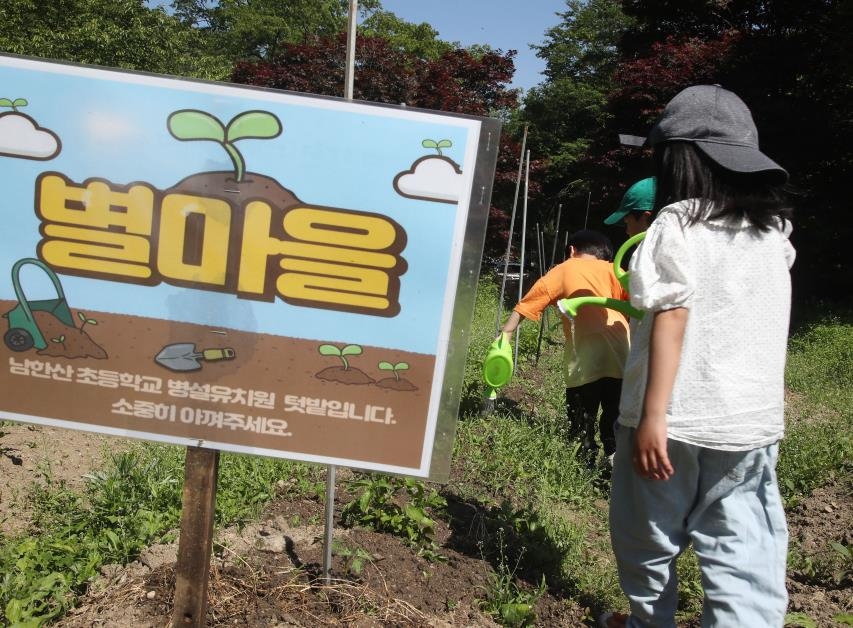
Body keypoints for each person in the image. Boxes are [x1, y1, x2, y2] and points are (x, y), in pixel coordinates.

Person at [600, 85, 795, 628]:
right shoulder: (775, 234)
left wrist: (653, 417)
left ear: (679, 159)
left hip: (669, 423)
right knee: (743, 550)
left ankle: (646, 622)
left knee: (649, 540)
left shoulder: (677, 223)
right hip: (747, 425)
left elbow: (672, 313)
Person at [500, 230, 629, 465]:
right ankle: (613, 455)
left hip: (585, 357)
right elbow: (637, 307)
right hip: (621, 353)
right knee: (614, 412)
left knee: (582, 415)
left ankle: (585, 458)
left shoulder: (564, 268)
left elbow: (528, 304)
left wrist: (506, 334)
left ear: (571, 251)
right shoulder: (615, 270)